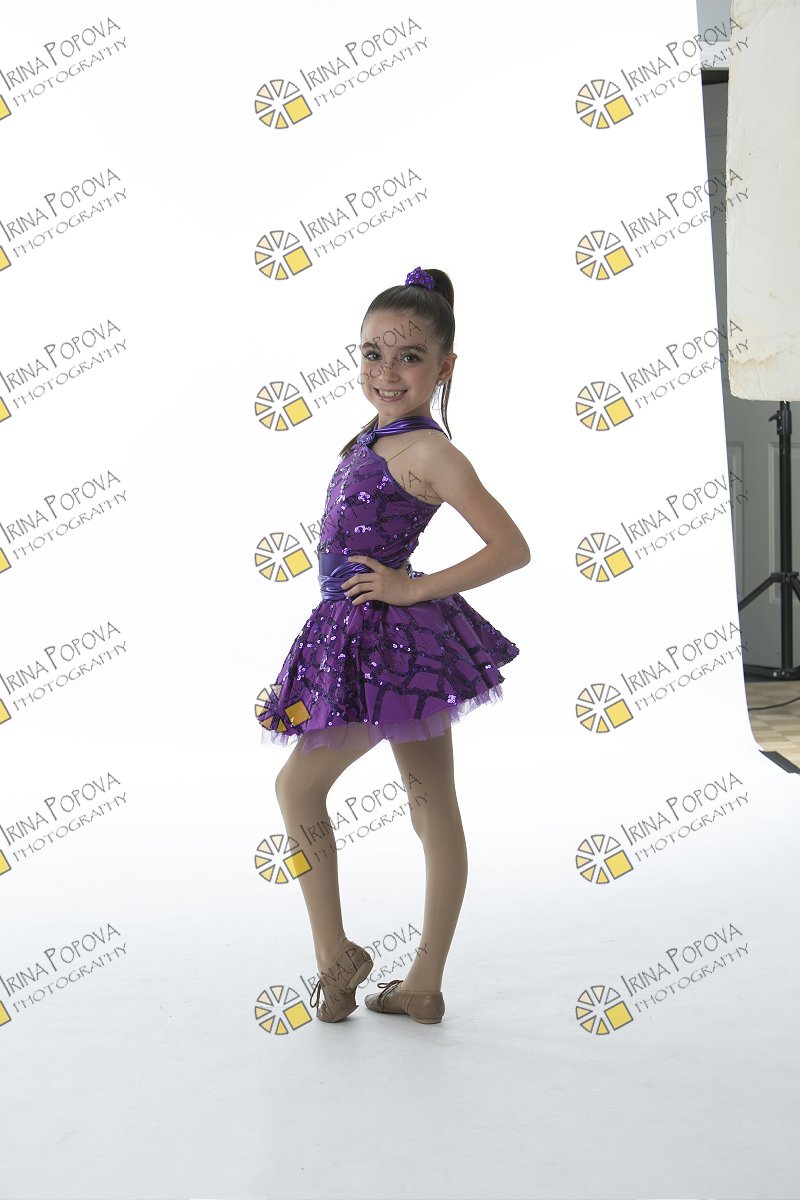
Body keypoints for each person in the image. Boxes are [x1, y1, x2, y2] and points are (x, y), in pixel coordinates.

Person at [257, 266, 530, 1024]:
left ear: (444, 367)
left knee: (298, 789)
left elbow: (511, 548)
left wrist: (411, 589)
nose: (386, 371)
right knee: (430, 802)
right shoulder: (378, 433)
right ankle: (423, 984)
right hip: (368, 632)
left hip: (383, 640)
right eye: (372, 353)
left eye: (408, 357)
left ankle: (335, 958)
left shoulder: (431, 453)